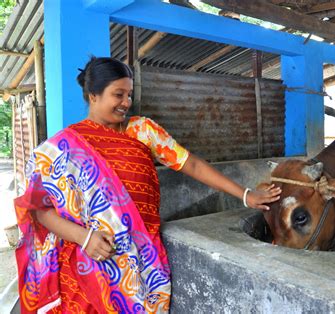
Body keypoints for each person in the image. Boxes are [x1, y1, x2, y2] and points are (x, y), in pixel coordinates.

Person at [14, 56, 281, 313]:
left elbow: (192, 165)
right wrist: (84, 238)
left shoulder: (143, 131)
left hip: (144, 263)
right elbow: (38, 210)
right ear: (93, 95)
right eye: (118, 95)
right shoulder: (64, 148)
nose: (126, 102)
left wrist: (246, 195)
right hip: (88, 264)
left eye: (129, 95)